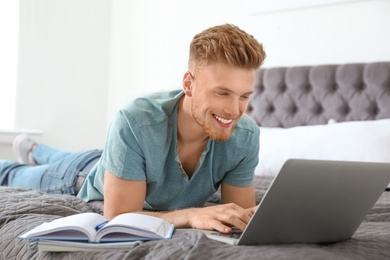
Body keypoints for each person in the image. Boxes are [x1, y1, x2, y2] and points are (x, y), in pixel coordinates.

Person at [0, 24, 266, 234]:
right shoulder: (135, 120)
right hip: (81, 175)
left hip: (123, 163)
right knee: (15, 173)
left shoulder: (246, 135)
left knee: (66, 156)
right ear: (189, 84)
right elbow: (117, 216)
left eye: (244, 96)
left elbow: (240, 215)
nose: (234, 111)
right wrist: (192, 215)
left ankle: (36, 149)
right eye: (222, 93)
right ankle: (32, 153)